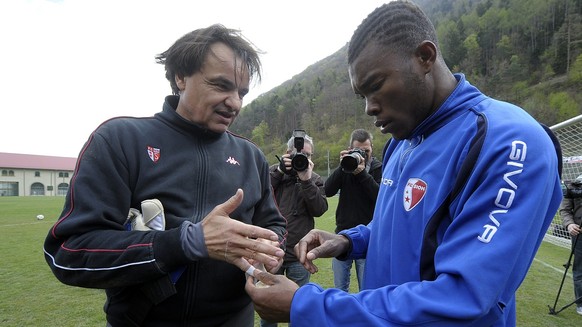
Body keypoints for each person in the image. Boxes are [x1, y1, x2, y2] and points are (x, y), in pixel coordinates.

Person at [245, 1, 563, 326]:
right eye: (361, 96)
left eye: (376, 85)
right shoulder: (401, 142)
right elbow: (401, 228)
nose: (368, 108)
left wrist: (306, 306)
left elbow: (465, 298)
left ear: (425, 57)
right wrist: (349, 240)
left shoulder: (509, 141)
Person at [43, 24, 287, 327]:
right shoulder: (120, 140)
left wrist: (270, 250)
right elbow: (69, 253)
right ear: (180, 77)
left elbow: (274, 224)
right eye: (221, 86)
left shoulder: (251, 156)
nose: (235, 102)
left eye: (241, 92)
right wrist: (184, 243)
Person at [261, 131, 328, 327]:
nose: (302, 158)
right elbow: (258, 193)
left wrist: (306, 181)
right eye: (298, 154)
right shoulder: (275, 172)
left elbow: (319, 210)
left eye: (307, 155)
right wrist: (280, 172)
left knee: (300, 307)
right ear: (287, 153)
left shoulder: (314, 179)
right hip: (271, 250)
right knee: (269, 307)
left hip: (299, 252)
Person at [325, 128, 381, 292]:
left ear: (372, 149)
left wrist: (362, 174)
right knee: (339, 289)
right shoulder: (346, 167)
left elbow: (380, 198)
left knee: (367, 289)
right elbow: (327, 191)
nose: (363, 154)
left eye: (366, 151)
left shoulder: (378, 168)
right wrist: (342, 166)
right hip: (342, 233)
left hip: (368, 238)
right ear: (350, 149)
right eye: (359, 150)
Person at [559, 175, 582, 316]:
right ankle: (580, 303)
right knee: (579, 270)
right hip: (579, 235)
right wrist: (570, 224)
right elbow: (565, 210)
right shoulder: (573, 186)